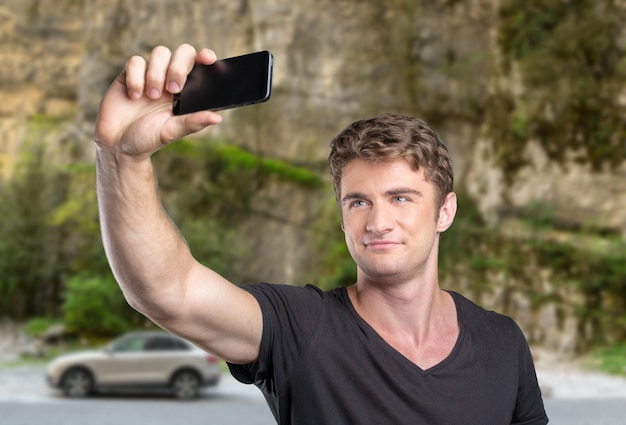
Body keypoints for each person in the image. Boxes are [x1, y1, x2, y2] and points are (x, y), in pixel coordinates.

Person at [94, 44, 548, 425]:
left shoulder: (502, 341)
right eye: (358, 201)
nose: (378, 222)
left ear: (444, 212)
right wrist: (122, 159)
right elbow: (169, 292)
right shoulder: (301, 327)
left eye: (402, 198)